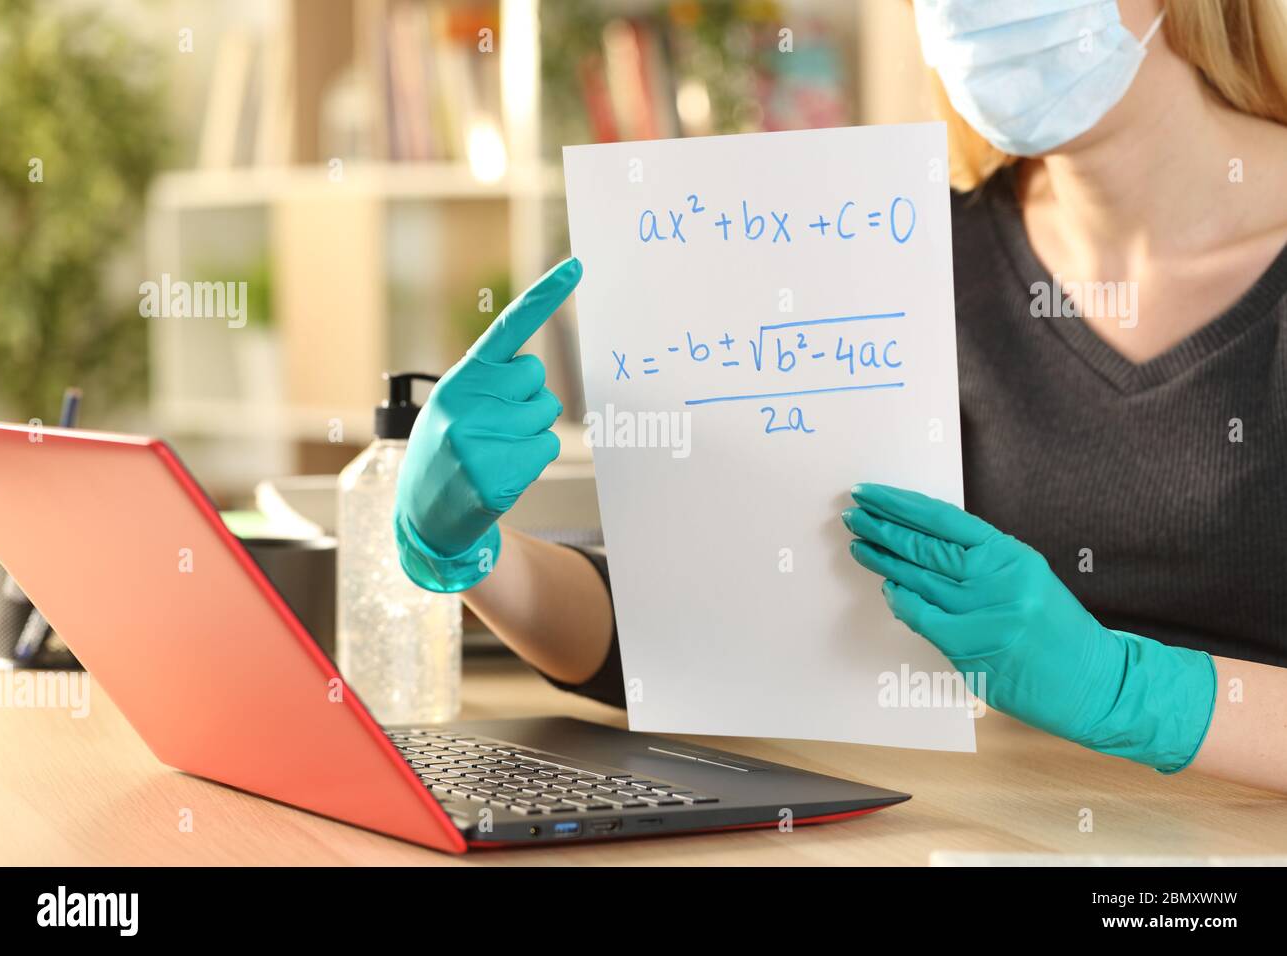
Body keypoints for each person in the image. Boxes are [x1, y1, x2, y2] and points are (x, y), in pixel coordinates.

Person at [393, 0, 1287, 792]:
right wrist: (472, 553)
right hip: (999, 831)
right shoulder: (905, 254)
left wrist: (1129, 690)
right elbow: (695, 633)